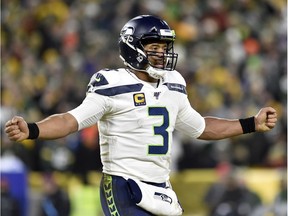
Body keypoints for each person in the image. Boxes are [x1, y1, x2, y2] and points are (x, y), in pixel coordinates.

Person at [5, 15, 278, 216]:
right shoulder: (111, 83)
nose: (162, 53)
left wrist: (250, 124)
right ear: (133, 47)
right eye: (154, 47)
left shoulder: (174, 83)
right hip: (123, 184)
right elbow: (71, 120)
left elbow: (201, 127)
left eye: (164, 47)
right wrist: (33, 129)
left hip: (162, 186)